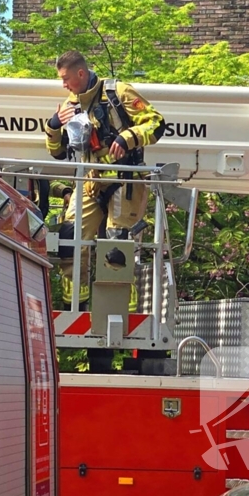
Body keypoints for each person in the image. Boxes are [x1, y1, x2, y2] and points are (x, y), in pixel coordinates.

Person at [44, 50, 165, 310]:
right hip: (90, 183)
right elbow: (57, 152)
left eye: (65, 79)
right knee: (69, 239)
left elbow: (156, 124)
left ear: (80, 73)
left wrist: (126, 138)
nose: (63, 85)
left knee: (116, 246)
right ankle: (74, 309)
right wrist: (53, 125)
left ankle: (120, 311)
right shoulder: (69, 105)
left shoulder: (117, 92)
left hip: (124, 179)